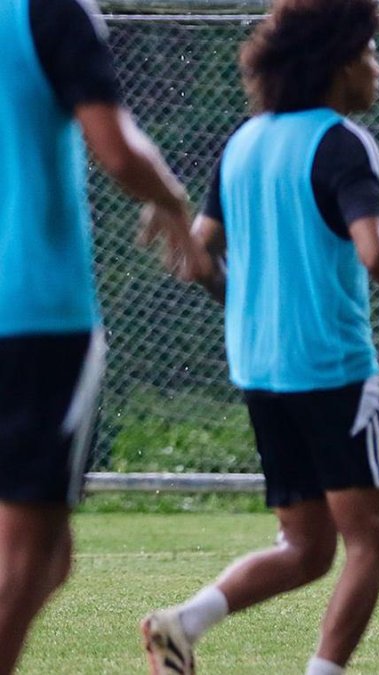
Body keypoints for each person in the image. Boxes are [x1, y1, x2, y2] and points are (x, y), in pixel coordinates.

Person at [139, 1, 379, 674]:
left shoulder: (243, 142)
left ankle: (180, 624)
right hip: (332, 368)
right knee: (368, 541)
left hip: (260, 369)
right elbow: (374, 251)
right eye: (370, 54)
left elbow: (199, 255)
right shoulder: (341, 141)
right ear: (339, 65)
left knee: (307, 546)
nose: (377, 69)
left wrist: (247, 298)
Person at [0, 0, 210, 672]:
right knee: (29, 555)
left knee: (50, 556)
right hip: (31, 310)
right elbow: (114, 146)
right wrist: (174, 201)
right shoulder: (53, 10)